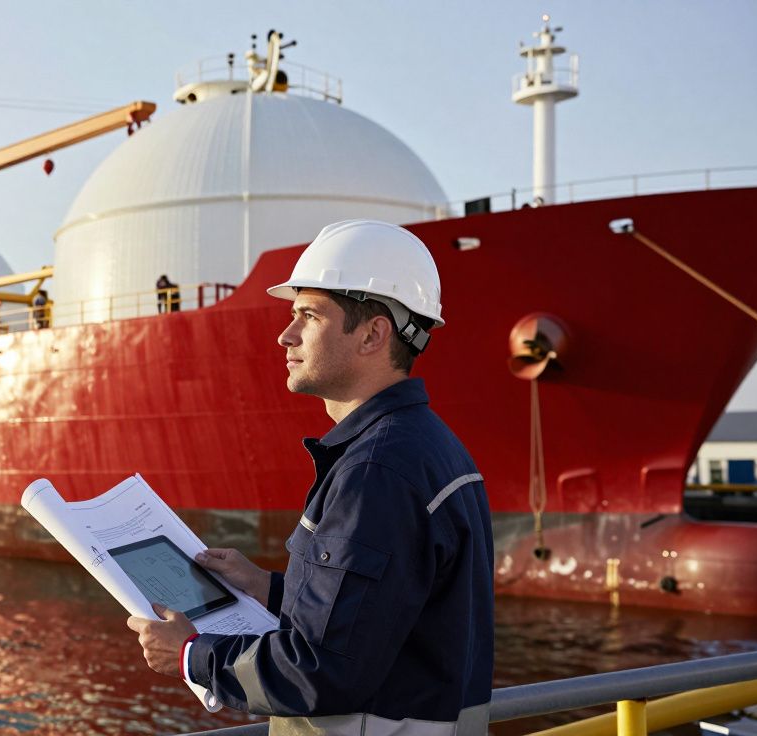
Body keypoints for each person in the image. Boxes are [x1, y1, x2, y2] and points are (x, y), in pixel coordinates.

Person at [127, 220, 493, 734]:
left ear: (373, 334)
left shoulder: (375, 472)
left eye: (309, 315)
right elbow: (387, 611)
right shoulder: (432, 447)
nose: (286, 334)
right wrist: (266, 589)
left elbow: (319, 672)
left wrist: (191, 655)